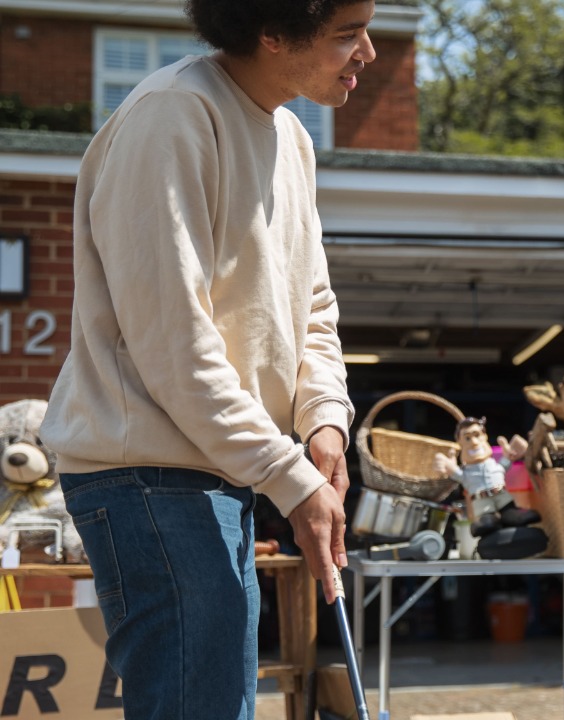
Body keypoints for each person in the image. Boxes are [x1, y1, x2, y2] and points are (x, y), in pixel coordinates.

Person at [39, 2, 376, 717]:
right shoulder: (171, 116)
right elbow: (172, 346)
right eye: (347, 33)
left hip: (211, 472)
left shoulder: (293, 137)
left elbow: (312, 306)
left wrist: (322, 419)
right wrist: (290, 477)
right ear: (272, 30)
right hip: (147, 477)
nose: (368, 53)